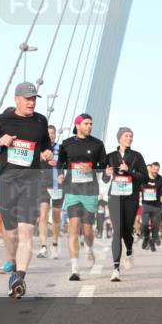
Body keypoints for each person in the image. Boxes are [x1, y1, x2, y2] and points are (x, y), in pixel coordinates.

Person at [0, 82, 54, 299]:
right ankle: (11, 259)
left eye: (34, 98)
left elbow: (46, 144)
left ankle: (19, 277)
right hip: (8, 182)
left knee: (26, 232)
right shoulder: (4, 120)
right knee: (10, 233)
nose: (31, 102)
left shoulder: (41, 121)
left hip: (31, 182)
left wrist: (47, 152)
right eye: (27, 98)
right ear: (17, 99)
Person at [57, 113, 107, 281]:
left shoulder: (97, 144)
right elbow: (60, 163)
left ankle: (90, 249)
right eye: (86, 123)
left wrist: (91, 169)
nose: (89, 126)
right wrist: (60, 174)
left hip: (90, 191)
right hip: (72, 190)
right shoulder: (66, 144)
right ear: (77, 125)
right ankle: (74, 268)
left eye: (91, 123)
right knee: (73, 226)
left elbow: (103, 165)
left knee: (87, 230)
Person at [103, 127, 148, 282]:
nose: (130, 138)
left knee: (127, 230)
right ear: (120, 138)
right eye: (127, 135)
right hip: (115, 197)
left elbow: (144, 177)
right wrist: (106, 174)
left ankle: (129, 250)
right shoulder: (110, 156)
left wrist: (130, 171)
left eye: (131, 136)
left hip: (131, 197)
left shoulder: (137, 156)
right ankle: (116, 269)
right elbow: (104, 179)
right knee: (117, 230)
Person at [37, 125, 63, 259]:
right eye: (48, 133)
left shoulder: (61, 148)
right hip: (43, 185)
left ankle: (55, 244)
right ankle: (43, 246)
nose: (51, 135)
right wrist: (42, 157)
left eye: (53, 133)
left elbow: (66, 163)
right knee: (43, 215)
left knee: (56, 216)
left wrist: (62, 174)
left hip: (58, 186)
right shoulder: (40, 148)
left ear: (55, 135)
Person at [140, 161, 162, 251]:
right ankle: (146, 237)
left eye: (157, 169)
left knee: (155, 226)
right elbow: (137, 186)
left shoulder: (161, 179)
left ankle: (152, 242)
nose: (156, 171)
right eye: (154, 169)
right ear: (151, 169)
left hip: (157, 206)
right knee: (144, 224)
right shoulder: (143, 178)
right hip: (146, 205)